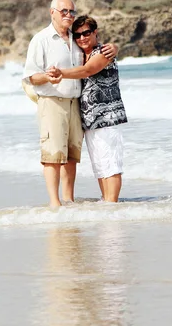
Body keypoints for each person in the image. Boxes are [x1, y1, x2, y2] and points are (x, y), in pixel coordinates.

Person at [22, 0, 116, 207]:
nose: (69, 15)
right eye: (64, 11)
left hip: (76, 102)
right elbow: (31, 77)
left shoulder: (76, 38)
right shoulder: (41, 39)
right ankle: (55, 204)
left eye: (72, 12)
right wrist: (47, 77)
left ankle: (68, 200)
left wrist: (114, 48)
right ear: (52, 12)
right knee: (53, 154)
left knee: (72, 155)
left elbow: (93, 56)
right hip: (52, 102)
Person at [48, 15, 127, 203]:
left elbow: (88, 71)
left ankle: (112, 204)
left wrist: (61, 73)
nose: (82, 38)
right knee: (100, 166)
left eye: (86, 33)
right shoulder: (81, 55)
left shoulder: (104, 52)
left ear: (95, 32)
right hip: (90, 120)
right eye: (77, 35)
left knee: (111, 165)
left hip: (107, 117)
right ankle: (106, 201)